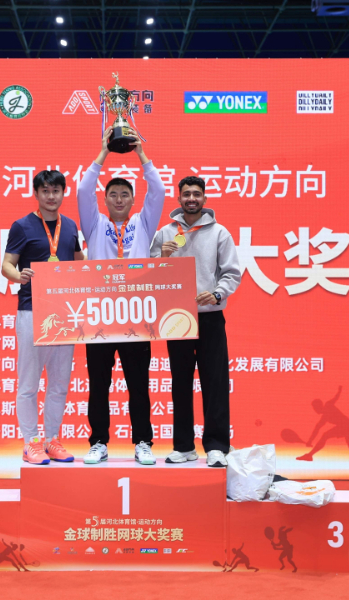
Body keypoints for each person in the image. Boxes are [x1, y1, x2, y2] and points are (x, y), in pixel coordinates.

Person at [77, 126, 164, 465]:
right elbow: (83, 190)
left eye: (124, 195)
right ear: (105, 200)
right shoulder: (94, 225)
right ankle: (98, 442)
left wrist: (141, 154)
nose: (117, 199)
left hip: (136, 316)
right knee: (99, 384)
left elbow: (158, 190)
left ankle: (143, 441)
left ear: (132, 200)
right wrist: (103, 153)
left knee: (138, 384)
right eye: (112, 194)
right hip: (99, 315)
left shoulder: (143, 223)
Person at [150, 176, 241, 467]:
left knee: (215, 382)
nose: (192, 198)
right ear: (178, 199)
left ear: (204, 199)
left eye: (196, 194)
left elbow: (232, 272)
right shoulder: (165, 233)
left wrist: (217, 293)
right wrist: (162, 257)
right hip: (177, 318)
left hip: (210, 317)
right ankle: (183, 446)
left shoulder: (220, 232)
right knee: (180, 382)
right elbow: (149, 274)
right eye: (187, 194)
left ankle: (216, 446)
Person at [2, 170, 84, 465]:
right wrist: (19, 276)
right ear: (36, 194)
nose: (51, 196)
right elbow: (7, 265)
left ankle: (52, 440)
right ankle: (31, 443)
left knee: (59, 383)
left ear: (63, 193)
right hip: (32, 311)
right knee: (28, 384)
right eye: (45, 191)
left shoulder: (70, 226)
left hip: (64, 313)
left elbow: (80, 263)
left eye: (56, 191)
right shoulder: (22, 226)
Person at [296, 386, 349, 461]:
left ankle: (309, 455)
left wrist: (339, 391)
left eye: (315, 408)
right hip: (346, 427)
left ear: (319, 406)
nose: (314, 410)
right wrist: (310, 441)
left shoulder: (328, 406)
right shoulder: (324, 417)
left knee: (326, 436)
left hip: (347, 426)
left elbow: (335, 398)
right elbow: (316, 429)